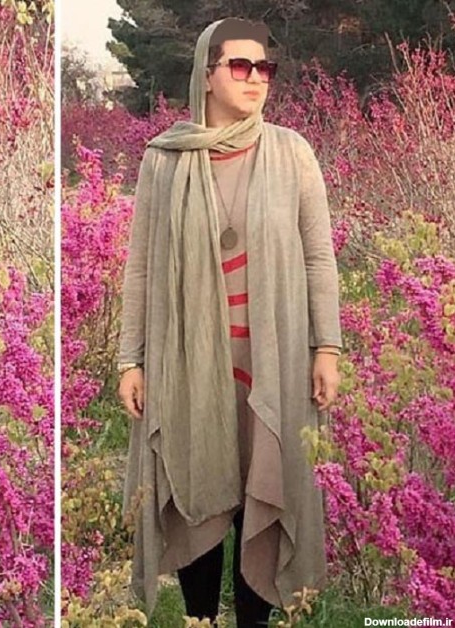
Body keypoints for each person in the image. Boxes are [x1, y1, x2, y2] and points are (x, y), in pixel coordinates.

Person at [117, 17, 343, 627]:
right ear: (207, 73)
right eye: (240, 66)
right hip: (189, 359)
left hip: (273, 360)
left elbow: (318, 257)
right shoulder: (165, 160)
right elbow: (141, 266)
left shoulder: (292, 153)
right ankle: (200, 620)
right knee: (197, 485)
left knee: (261, 488)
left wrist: (327, 347)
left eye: (264, 67)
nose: (255, 78)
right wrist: (130, 359)